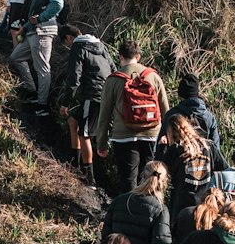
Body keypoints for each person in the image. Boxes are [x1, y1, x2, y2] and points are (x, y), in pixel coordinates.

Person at [95, 41, 169, 194]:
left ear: (120, 56)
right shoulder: (153, 76)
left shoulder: (113, 80)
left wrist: (101, 143)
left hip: (123, 136)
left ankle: (129, 209)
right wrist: (167, 135)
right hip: (151, 134)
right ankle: (150, 208)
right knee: (150, 175)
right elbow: (165, 109)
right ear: (138, 56)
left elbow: (104, 114)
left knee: (128, 177)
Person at [10, 0, 63, 119]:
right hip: (34, 31)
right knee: (16, 57)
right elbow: (35, 12)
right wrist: (25, 28)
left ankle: (42, 105)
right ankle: (33, 92)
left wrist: (40, 19)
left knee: (42, 68)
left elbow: (57, 4)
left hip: (43, 31)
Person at [60, 23, 115, 183]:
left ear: (69, 38)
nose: (68, 46)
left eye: (66, 43)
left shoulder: (78, 47)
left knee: (84, 134)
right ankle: (74, 164)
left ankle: (89, 177)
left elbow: (74, 78)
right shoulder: (100, 45)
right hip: (105, 93)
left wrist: (65, 103)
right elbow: (113, 67)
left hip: (92, 96)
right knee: (73, 122)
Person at [161, 114, 226, 228]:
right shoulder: (208, 146)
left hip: (181, 204)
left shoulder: (175, 150)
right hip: (206, 202)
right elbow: (224, 168)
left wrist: (162, 148)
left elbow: (158, 169)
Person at [161, 72, 222, 150]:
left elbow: (162, 144)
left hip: (177, 160)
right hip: (204, 160)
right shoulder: (209, 117)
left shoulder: (171, 116)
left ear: (180, 94)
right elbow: (216, 148)